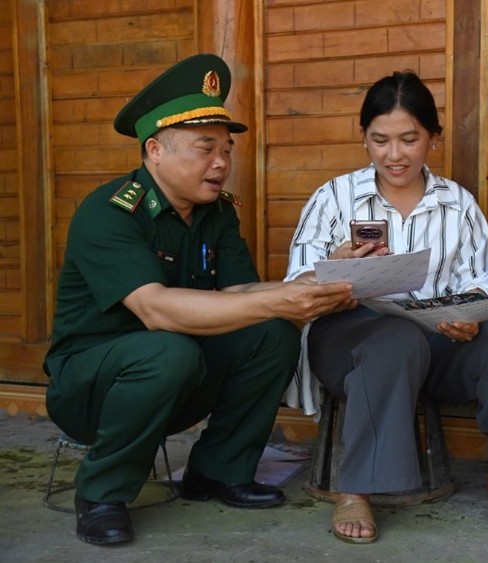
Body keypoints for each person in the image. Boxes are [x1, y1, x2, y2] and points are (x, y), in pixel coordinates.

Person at [43, 53, 355, 547]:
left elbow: (240, 292)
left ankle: (216, 472)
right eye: (205, 148)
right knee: (172, 347)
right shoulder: (110, 212)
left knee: (271, 334)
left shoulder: (214, 213)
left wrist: (322, 279)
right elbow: (156, 309)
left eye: (227, 150)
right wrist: (278, 301)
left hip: (176, 377)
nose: (221, 164)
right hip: (90, 388)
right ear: (155, 151)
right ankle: (100, 493)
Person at [285, 70, 488, 544]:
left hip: (436, 338)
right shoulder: (334, 198)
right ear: (363, 138)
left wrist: (470, 318)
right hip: (347, 341)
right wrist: (336, 266)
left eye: (410, 139)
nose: (395, 154)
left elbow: (481, 283)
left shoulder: (459, 205)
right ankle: (356, 490)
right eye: (380, 140)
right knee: (394, 338)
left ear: (433, 136)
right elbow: (295, 286)